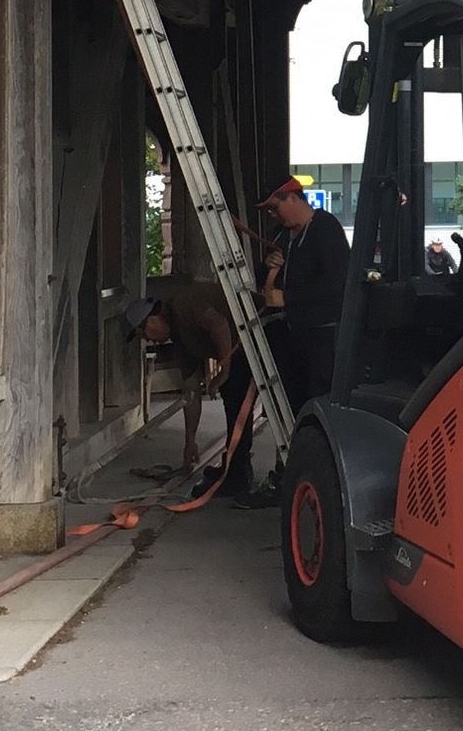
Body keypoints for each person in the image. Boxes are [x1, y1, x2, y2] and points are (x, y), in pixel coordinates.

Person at [123, 277, 254, 497]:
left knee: (235, 396)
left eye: (144, 333)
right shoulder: (181, 341)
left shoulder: (184, 303)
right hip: (238, 349)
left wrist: (224, 369)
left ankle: (237, 473)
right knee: (232, 397)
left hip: (253, 334)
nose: (148, 340)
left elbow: (219, 324)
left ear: (152, 317)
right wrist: (190, 441)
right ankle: (234, 465)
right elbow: (191, 391)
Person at [258, 175, 351, 406]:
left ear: (292, 198)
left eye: (274, 208)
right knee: (292, 398)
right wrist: (268, 265)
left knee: (318, 398)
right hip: (293, 331)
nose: (272, 215)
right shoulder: (281, 234)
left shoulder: (325, 227)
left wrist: (288, 298)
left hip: (322, 334)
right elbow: (263, 277)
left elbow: (336, 281)